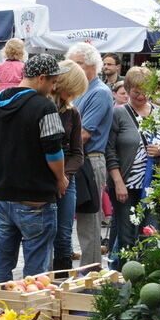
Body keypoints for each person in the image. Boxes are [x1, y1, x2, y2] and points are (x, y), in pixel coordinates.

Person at [0, 54, 69, 284]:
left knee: (2, 261)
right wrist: (60, 178)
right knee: (36, 271)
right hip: (36, 200)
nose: (54, 87)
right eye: (53, 81)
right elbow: (53, 151)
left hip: (5, 197)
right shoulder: (45, 107)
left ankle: (0, 313)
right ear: (41, 78)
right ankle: (31, 317)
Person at [105, 66, 160, 270]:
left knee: (151, 235)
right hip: (126, 186)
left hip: (154, 186)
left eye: (145, 91)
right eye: (136, 92)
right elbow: (110, 150)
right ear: (128, 89)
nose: (141, 96)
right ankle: (124, 279)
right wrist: (118, 182)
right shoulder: (119, 114)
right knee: (126, 237)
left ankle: (147, 275)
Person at [67, 43, 114, 269]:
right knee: (80, 220)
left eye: (79, 64)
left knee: (89, 221)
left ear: (92, 65)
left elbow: (83, 134)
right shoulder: (82, 92)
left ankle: (91, 274)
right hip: (79, 159)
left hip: (91, 159)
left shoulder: (100, 92)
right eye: (72, 64)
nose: (74, 69)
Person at [49, 60, 87, 275]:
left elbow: (78, 153)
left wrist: (63, 177)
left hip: (67, 178)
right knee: (46, 232)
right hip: (44, 176)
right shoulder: (42, 106)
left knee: (64, 234)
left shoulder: (72, 113)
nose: (73, 95)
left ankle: (62, 281)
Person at [0, 38, 26, 103]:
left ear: (6, 51)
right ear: (21, 52)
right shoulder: (22, 66)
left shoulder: (1, 66)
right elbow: (26, 82)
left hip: (0, 94)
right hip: (16, 94)